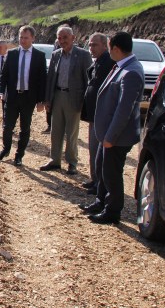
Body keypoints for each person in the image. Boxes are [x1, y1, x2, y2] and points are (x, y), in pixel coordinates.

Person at [80, 31, 144, 224]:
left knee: (112, 174)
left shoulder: (131, 71)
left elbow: (124, 110)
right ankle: (100, 201)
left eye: (109, 49)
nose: (109, 53)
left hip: (116, 136)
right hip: (106, 133)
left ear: (116, 49)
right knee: (101, 168)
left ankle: (112, 211)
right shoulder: (121, 66)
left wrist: (111, 137)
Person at [40, 26, 92, 175]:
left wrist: (85, 101)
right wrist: (47, 99)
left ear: (73, 38)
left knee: (72, 133)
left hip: (73, 98)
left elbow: (88, 80)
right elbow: (50, 78)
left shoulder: (83, 55)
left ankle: (72, 162)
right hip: (57, 96)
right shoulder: (56, 55)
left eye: (65, 38)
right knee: (55, 131)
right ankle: (55, 160)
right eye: (59, 38)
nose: (62, 41)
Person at [0, 25, 47, 166]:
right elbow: (3, 76)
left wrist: (41, 100)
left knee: (25, 128)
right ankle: (5, 150)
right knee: (7, 126)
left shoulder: (39, 56)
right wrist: (0, 92)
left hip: (28, 98)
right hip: (12, 96)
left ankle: (19, 156)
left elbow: (42, 80)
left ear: (33, 38)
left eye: (26, 38)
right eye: (21, 37)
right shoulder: (11, 54)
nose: (23, 41)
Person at [79, 33, 114, 194]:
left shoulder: (108, 63)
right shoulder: (98, 62)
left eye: (94, 45)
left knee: (98, 150)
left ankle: (99, 183)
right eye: (90, 45)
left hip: (101, 115)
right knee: (93, 149)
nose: (91, 48)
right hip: (93, 114)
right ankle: (94, 179)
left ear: (104, 45)